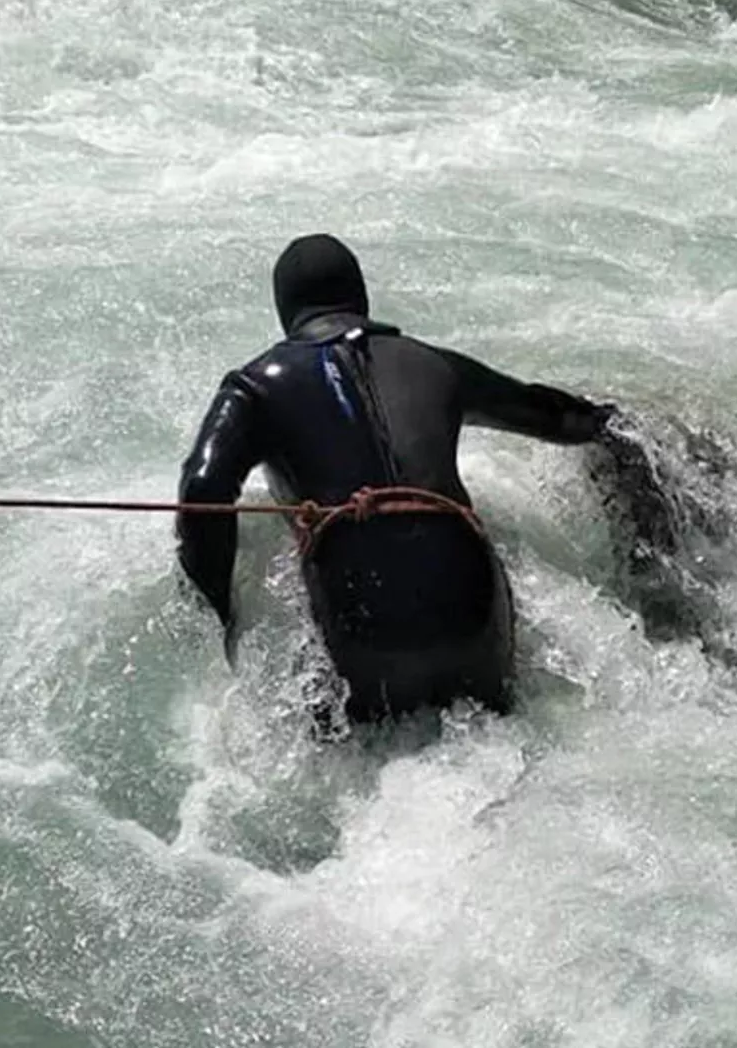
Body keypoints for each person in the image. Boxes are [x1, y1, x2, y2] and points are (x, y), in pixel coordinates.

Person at [175, 234, 615, 727]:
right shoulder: (434, 364)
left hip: (362, 634)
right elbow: (551, 415)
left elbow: (203, 491)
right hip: (472, 615)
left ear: (286, 313)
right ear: (361, 298)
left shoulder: (256, 385)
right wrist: (612, 423)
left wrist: (223, 615)